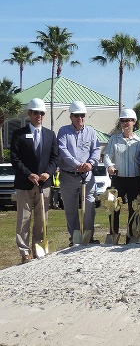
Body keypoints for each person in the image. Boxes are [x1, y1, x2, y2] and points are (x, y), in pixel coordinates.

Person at [9, 98, 59, 263]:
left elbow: (54, 158)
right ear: (29, 113)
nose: (39, 115)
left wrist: (48, 173)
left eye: (41, 113)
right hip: (25, 184)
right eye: (35, 112)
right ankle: (24, 252)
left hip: (44, 185)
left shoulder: (50, 134)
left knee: (41, 219)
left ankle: (38, 248)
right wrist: (28, 174)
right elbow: (15, 159)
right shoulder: (19, 134)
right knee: (24, 218)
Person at [57, 101, 101, 245]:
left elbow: (96, 150)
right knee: (70, 209)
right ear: (71, 117)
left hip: (87, 176)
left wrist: (90, 163)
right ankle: (74, 238)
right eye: (76, 116)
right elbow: (63, 151)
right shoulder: (63, 131)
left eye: (82, 115)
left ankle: (88, 237)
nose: (79, 118)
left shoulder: (91, 132)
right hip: (68, 175)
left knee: (89, 206)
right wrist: (77, 164)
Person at [101, 108, 140, 243]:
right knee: (114, 208)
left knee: (134, 209)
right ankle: (114, 234)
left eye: (128, 121)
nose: (126, 123)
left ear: (134, 122)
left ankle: (132, 236)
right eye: (123, 121)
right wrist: (109, 166)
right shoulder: (114, 139)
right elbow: (107, 155)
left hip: (135, 180)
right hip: (118, 179)